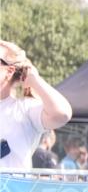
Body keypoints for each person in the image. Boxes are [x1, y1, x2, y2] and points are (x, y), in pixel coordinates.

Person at [0, 40, 72, 169]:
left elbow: (62, 114)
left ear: (9, 71)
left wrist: (35, 81)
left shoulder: (24, 108)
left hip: (13, 188)